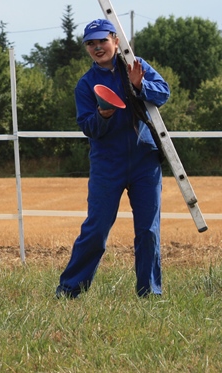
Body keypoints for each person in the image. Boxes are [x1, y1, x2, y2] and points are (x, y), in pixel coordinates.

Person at [56, 18, 170, 299]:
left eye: (102, 41)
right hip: (107, 162)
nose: (97, 48)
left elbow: (164, 93)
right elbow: (88, 128)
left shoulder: (135, 64)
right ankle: (69, 291)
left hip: (145, 159)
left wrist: (140, 86)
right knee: (96, 228)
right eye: (90, 44)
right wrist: (102, 115)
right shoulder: (85, 85)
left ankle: (150, 294)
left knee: (148, 230)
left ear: (116, 41)